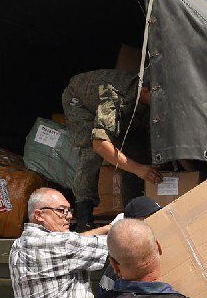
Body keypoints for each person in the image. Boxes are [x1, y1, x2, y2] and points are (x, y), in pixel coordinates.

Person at [62, 68, 162, 232]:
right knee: (90, 151)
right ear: (145, 90)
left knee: (136, 145)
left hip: (119, 105)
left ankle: (132, 213)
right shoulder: (114, 95)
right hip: (79, 101)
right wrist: (138, 169)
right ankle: (84, 218)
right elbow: (99, 144)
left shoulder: (143, 99)